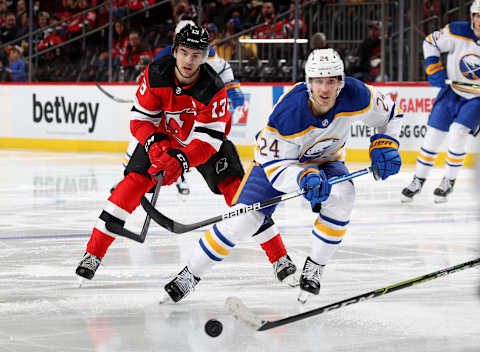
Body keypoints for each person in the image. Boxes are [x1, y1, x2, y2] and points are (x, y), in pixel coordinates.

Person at [159, 48, 403, 304]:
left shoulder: (357, 94)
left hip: (327, 160)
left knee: (344, 196)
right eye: (319, 81)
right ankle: (190, 274)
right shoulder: (287, 113)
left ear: (340, 82)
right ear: (309, 82)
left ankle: (315, 267)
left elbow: (390, 114)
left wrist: (386, 143)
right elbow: (275, 168)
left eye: (331, 81)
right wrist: (302, 178)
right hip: (276, 165)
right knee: (244, 221)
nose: (325, 89)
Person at [76, 23, 297, 288]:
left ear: (204, 56)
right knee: (129, 185)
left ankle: (279, 257)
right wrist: (157, 148)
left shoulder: (213, 87)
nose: (189, 60)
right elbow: (140, 119)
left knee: (240, 195)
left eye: (196, 54)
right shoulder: (156, 73)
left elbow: (208, 141)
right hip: (165, 139)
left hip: (206, 146)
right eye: (184, 52)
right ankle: (93, 253)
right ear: (175, 50)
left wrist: (180, 161)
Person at [151, 20, 245, 195]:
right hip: (177, 124)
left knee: (223, 166)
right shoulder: (164, 59)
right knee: (150, 143)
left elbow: (235, 95)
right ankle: (174, 177)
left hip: (203, 126)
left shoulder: (214, 62)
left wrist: (231, 96)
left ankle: (244, 208)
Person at [401, 1, 480, 204]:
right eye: (478, 15)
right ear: (472, 16)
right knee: (433, 136)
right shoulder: (456, 31)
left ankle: (449, 180)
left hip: (477, 99)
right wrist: (433, 66)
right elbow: (430, 42)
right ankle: (418, 179)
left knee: (457, 133)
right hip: (452, 92)